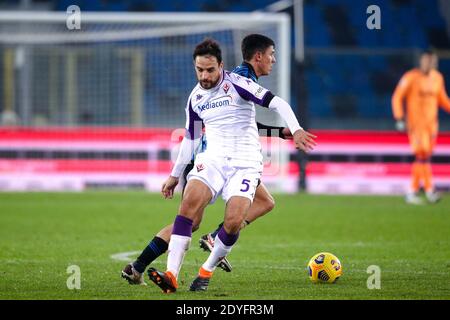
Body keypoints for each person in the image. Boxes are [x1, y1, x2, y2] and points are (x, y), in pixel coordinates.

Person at [146, 38, 316, 293]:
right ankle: (171, 274)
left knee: (234, 221)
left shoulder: (238, 84)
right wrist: (174, 174)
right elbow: (191, 137)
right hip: (211, 160)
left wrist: (296, 129)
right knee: (188, 206)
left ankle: (206, 270)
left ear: (221, 66)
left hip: (245, 163)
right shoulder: (195, 99)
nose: (204, 75)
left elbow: (277, 102)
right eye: (200, 70)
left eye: (210, 70)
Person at [392, 50, 450, 204]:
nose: (430, 64)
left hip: (432, 125)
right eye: (427, 61)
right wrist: (399, 117)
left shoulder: (437, 78)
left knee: (423, 158)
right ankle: (430, 190)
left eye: (432, 61)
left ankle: (412, 191)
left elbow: (443, 99)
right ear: (421, 61)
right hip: (416, 125)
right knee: (422, 154)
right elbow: (397, 96)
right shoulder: (410, 77)